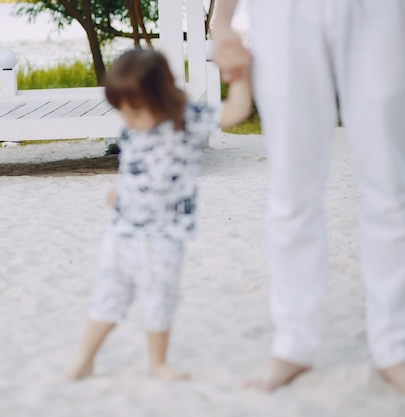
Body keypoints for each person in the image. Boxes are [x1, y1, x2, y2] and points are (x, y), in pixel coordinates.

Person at [211, 0, 405, 393]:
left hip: (379, 11)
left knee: (390, 188)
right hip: (283, 12)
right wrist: (222, 21)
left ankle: (395, 345)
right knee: (292, 191)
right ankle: (292, 343)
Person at [67, 48, 253, 380]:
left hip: (165, 235)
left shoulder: (187, 119)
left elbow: (235, 111)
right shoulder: (132, 122)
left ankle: (157, 364)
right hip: (122, 230)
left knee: (159, 296)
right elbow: (137, 169)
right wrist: (119, 193)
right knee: (109, 293)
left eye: (135, 112)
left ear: (161, 96)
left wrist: (240, 77)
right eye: (121, 112)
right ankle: (84, 356)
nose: (128, 120)